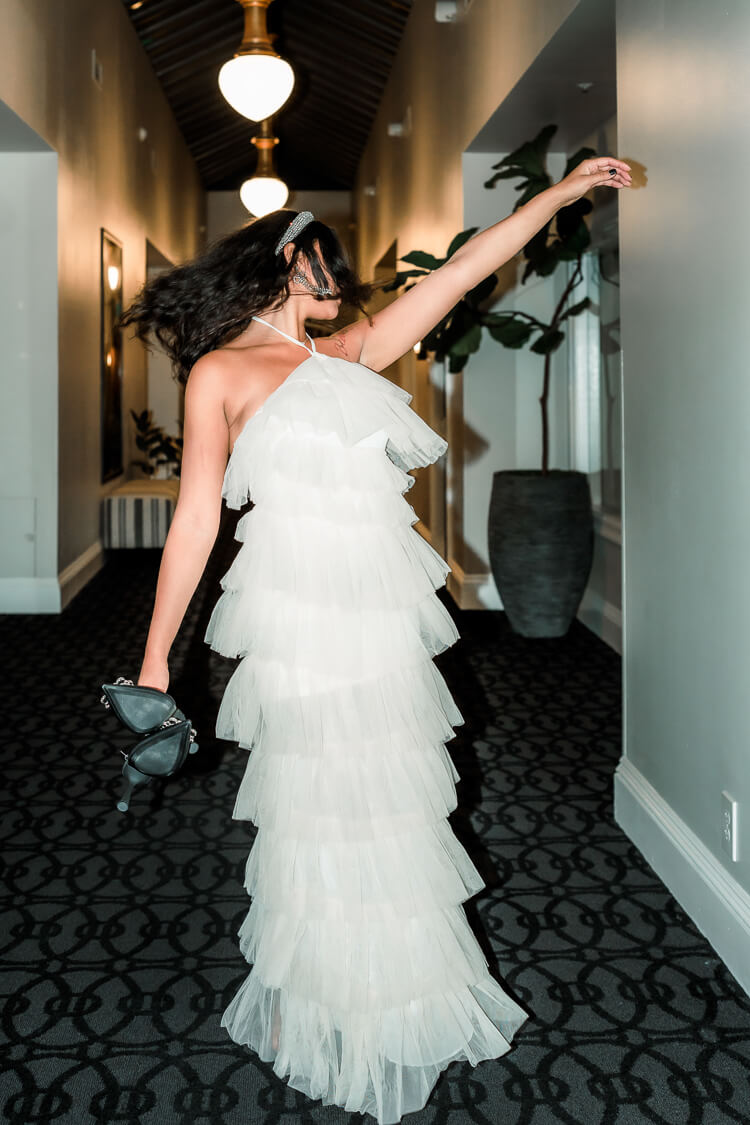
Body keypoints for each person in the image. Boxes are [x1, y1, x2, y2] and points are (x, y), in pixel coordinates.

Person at [120, 155, 631, 1123]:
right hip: (298, 620)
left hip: (381, 622)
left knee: (393, 806)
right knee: (320, 806)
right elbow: (194, 520)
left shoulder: (348, 355)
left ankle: (393, 988)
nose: (341, 282)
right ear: (285, 262)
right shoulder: (222, 372)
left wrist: (558, 199)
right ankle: (317, 996)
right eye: (326, 266)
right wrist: (156, 659)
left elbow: (458, 275)